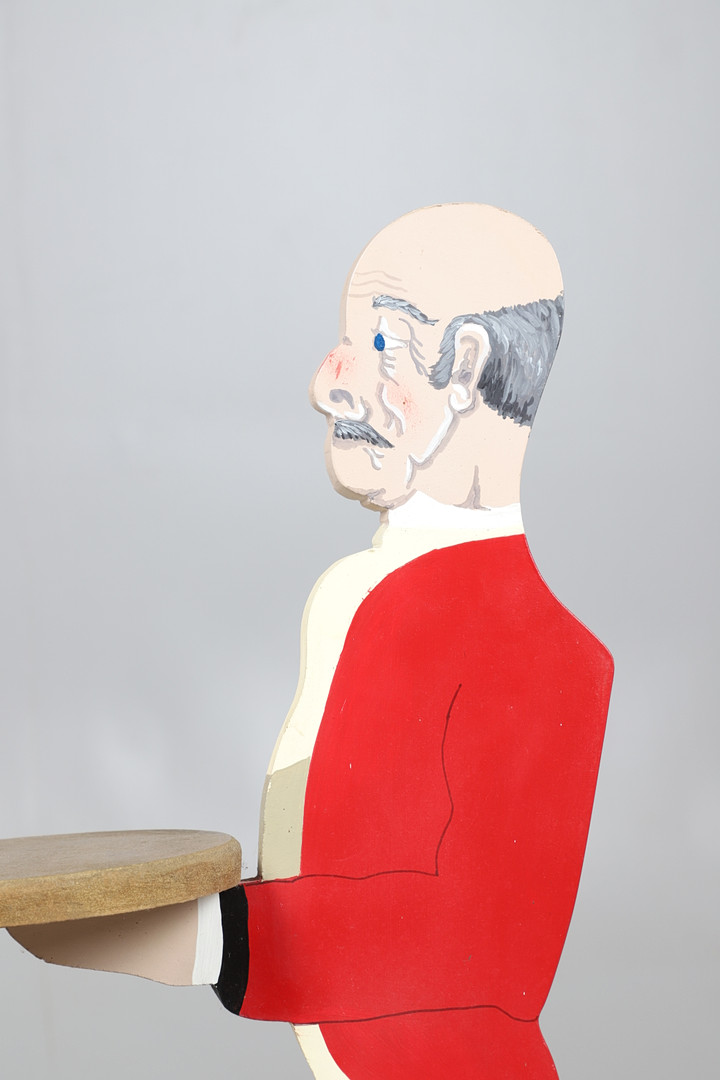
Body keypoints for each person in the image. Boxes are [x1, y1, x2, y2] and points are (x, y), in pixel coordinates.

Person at [10, 205, 613, 1080]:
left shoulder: (551, 659)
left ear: (466, 365)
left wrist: (205, 940)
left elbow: (486, 948)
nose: (326, 385)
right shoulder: (358, 595)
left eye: (380, 343)